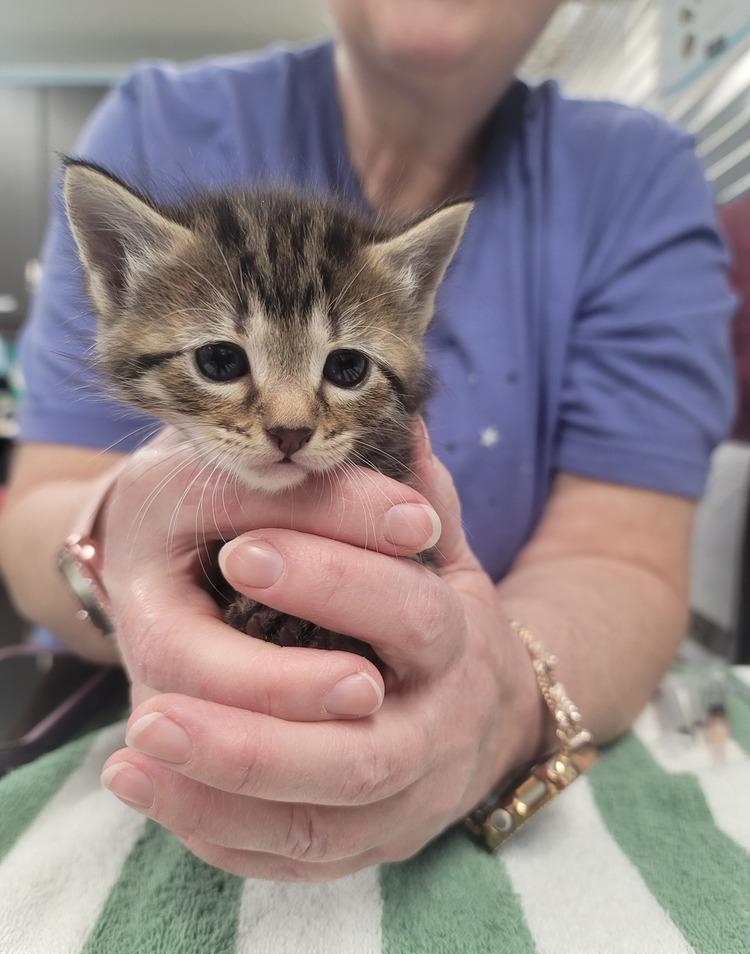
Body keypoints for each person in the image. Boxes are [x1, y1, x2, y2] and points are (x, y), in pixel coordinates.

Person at [0, 0, 734, 880]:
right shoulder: (154, 121)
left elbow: (623, 559)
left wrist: (499, 696)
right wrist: (115, 544)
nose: (288, 420)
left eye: (342, 369)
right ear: (119, 276)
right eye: (224, 360)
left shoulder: (635, 177)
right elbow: (35, 513)